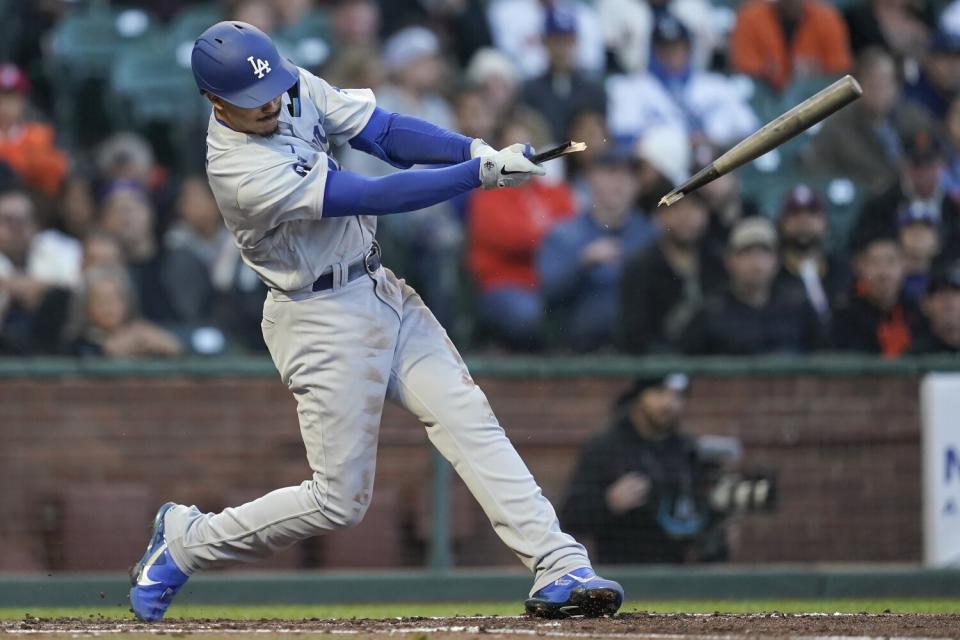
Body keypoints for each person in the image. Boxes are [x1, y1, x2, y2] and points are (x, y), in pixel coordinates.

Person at [128, 21, 623, 622]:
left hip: (378, 285)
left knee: (470, 418)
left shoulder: (286, 84)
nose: (272, 105)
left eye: (273, 90)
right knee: (338, 501)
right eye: (253, 103)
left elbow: (384, 133)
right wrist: (477, 177)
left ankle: (558, 564)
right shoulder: (238, 170)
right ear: (215, 101)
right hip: (317, 318)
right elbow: (367, 194)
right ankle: (188, 540)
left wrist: (472, 149)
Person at [560, 374, 731, 564]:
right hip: (621, 571)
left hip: (677, 573)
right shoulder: (606, 447)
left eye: (678, 395)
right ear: (640, 395)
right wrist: (608, 502)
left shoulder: (687, 451)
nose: (668, 403)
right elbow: (569, 517)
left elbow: (702, 523)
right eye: (659, 392)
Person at [467, 116, 577, 350]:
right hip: (506, 283)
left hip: (556, 282)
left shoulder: (554, 191)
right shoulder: (487, 193)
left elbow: (574, 227)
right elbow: (514, 238)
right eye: (510, 148)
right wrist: (554, 236)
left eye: (525, 147)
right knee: (526, 315)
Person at [538, 147, 658, 351]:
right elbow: (546, 293)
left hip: (638, 348)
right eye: (611, 172)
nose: (620, 182)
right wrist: (582, 263)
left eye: (629, 175)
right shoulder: (564, 233)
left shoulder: (650, 235)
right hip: (577, 350)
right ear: (592, 178)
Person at [606, 13, 758, 148]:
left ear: (689, 48)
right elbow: (624, 140)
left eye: (678, 46)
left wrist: (711, 142)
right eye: (664, 48)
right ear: (653, 51)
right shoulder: (630, 88)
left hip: (718, 164)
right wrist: (682, 144)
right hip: (663, 171)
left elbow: (751, 131)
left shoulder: (717, 85)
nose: (672, 53)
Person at [679, 217, 823, 355]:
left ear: (777, 260)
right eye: (746, 252)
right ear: (729, 260)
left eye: (764, 251)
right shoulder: (710, 312)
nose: (756, 261)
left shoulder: (798, 306)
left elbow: (824, 356)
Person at [804, 47, 934, 195]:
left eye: (885, 82)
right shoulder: (837, 126)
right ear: (856, 85)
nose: (879, 90)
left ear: (897, 86)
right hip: (858, 205)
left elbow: (936, 157)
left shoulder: (915, 119)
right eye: (872, 82)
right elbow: (818, 173)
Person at [620, 193, 725, 354]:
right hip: (657, 366)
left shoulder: (717, 262)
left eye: (695, 207)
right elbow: (634, 333)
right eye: (676, 208)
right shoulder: (641, 267)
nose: (686, 216)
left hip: (710, 364)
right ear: (660, 215)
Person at [520, 6, 607, 143]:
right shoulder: (529, 90)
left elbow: (602, 139)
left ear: (576, 43)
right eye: (555, 41)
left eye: (567, 41)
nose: (561, 49)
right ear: (545, 43)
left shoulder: (593, 92)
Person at [730, 0, 852, 93]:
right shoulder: (750, 17)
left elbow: (840, 70)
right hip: (763, 97)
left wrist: (817, 74)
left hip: (812, 96)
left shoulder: (827, 19)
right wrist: (766, 72)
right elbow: (742, 69)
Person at [832, 233, 924, 356]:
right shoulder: (844, 318)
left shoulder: (918, 313)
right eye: (874, 262)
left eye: (891, 262)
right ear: (859, 267)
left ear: (904, 265)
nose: (883, 273)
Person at [65, 265, 183, 359]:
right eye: (101, 301)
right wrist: (108, 351)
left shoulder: (140, 332)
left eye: (114, 300)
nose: (108, 308)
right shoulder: (77, 344)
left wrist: (155, 342)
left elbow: (175, 348)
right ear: (85, 307)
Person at [773, 184, 851, 326]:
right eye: (795, 213)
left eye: (812, 213)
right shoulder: (772, 272)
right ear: (782, 223)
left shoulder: (842, 270)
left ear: (826, 222)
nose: (803, 220)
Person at [0, 64, 68, 197]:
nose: (5, 105)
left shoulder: (41, 135)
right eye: (1, 97)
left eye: (12, 98)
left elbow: (53, 177)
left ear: (24, 101)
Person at [912, 262, 960, 353]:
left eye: (955, 292)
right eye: (940, 292)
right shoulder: (915, 355)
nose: (948, 299)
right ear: (925, 305)